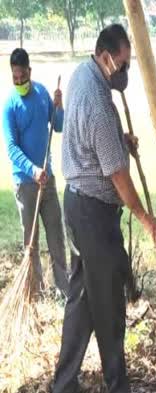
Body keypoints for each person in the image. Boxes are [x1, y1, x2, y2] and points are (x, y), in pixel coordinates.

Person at [50, 24, 156, 393]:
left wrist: (119, 137)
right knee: (110, 299)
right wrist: (145, 218)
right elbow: (116, 173)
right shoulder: (98, 100)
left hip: (78, 203)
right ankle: (118, 388)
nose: (125, 70)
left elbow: (98, 141)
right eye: (124, 63)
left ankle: (63, 387)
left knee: (82, 297)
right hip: (95, 213)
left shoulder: (84, 74)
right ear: (106, 57)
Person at [3, 48, 68, 297]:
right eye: (15, 78)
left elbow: (59, 125)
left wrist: (59, 106)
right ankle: (36, 292)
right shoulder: (10, 106)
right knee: (31, 241)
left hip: (47, 181)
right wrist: (33, 170)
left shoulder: (41, 93)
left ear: (30, 71)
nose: (19, 81)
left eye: (22, 76)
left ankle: (64, 289)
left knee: (56, 236)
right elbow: (11, 148)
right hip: (26, 183)